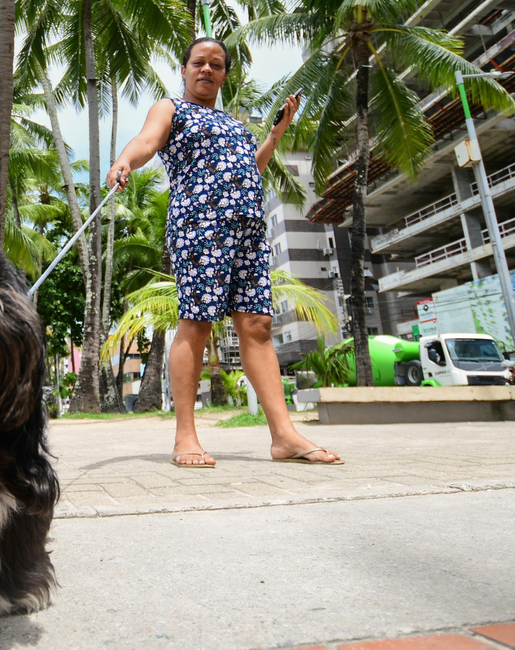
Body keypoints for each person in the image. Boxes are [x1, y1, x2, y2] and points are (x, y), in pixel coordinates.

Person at [105, 37, 342, 468]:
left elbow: (251, 168)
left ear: (225, 75)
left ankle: (284, 436)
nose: (207, 70)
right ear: (184, 69)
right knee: (196, 321)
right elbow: (146, 141)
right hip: (200, 223)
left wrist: (275, 133)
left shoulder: (235, 126)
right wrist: (124, 162)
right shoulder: (171, 108)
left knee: (257, 324)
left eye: (216, 65)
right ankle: (185, 437)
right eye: (199, 62)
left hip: (248, 227)